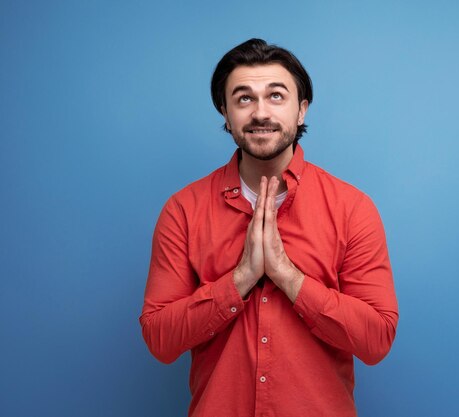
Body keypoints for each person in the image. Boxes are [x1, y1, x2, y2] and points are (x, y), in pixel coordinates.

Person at [140, 38, 399, 417]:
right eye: (244, 98)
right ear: (226, 114)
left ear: (301, 111)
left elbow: (376, 339)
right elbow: (160, 340)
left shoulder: (352, 209)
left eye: (276, 96)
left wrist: (288, 277)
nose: (261, 112)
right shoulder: (184, 210)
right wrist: (241, 278)